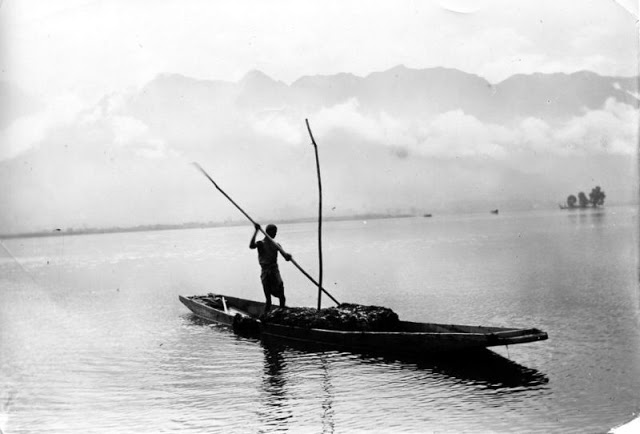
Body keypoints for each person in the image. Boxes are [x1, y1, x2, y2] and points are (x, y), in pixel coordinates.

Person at [249, 223, 292, 311]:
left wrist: (288, 256)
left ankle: (281, 312)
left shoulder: (277, 245)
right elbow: (251, 246)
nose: (275, 234)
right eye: (274, 232)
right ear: (268, 232)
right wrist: (256, 231)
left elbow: (285, 257)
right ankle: (266, 316)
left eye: (276, 232)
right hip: (265, 272)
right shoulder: (261, 243)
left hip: (274, 271)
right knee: (268, 299)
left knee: (281, 295)